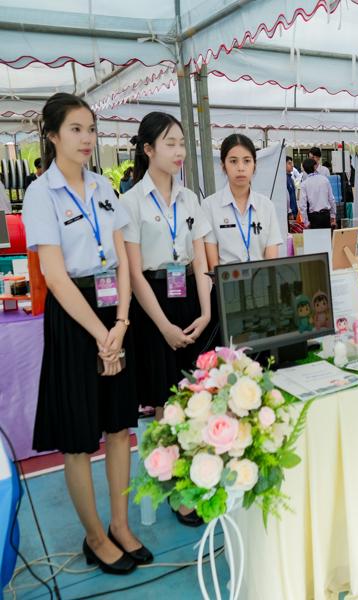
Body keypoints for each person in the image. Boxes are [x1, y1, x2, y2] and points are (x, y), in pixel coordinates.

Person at [22, 93, 150, 575]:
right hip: (75, 320)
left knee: (118, 425)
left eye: (91, 129)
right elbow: (54, 276)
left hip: (113, 315)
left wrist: (121, 323)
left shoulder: (104, 187)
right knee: (79, 436)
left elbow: (120, 260)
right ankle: (94, 536)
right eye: (75, 129)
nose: (86, 138)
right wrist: (101, 333)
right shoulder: (41, 194)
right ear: (52, 135)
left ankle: (120, 524)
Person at [120, 112, 213, 527]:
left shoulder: (190, 199)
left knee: (196, 397)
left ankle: (196, 479)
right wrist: (162, 326)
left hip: (190, 299)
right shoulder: (131, 202)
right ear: (148, 149)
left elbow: (200, 261)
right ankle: (175, 488)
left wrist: (206, 311)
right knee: (164, 401)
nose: (179, 152)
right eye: (170, 143)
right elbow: (134, 273)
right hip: (153, 305)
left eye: (182, 143)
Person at [203, 133, 282, 268]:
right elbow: (213, 264)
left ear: (254, 165)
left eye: (247, 161)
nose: (240, 168)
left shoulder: (266, 206)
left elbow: (271, 260)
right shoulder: (209, 206)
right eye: (233, 161)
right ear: (223, 165)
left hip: (261, 278)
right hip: (225, 280)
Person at [299, 158, 336, 229]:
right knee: (326, 235)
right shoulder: (325, 180)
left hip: (313, 217)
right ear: (315, 167)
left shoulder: (304, 184)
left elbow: (302, 205)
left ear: (304, 170)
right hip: (325, 215)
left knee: (315, 236)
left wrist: (306, 222)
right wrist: (333, 215)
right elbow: (331, 199)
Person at [286, 156, 298, 221]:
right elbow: (286, 198)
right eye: (289, 163)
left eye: (292, 163)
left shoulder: (291, 179)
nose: (292, 165)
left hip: (294, 211)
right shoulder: (283, 179)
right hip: (289, 213)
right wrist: (289, 212)